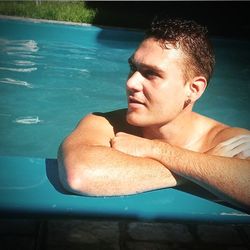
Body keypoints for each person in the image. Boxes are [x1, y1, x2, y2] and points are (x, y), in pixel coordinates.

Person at [57, 17, 250, 210]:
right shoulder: (105, 124)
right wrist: (204, 169)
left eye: (151, 74)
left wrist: (155, 150)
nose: (131, 83)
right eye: (133, 68)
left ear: (193, 89)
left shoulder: (230, 142)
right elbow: (79, 173)